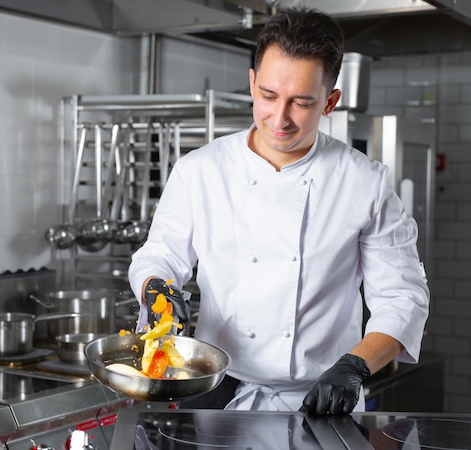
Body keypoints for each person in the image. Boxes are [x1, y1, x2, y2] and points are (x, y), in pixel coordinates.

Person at [128, 6, 429, 415]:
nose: (279, 118)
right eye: (268, 96)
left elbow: (402, 297)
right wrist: (155, 286)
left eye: (301, 102)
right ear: (252, 83)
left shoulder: (364, 182)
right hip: (220, 395)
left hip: (323, 400)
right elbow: (161, 254)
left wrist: (356, 367)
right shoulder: (201, 169)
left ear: (330, 102)